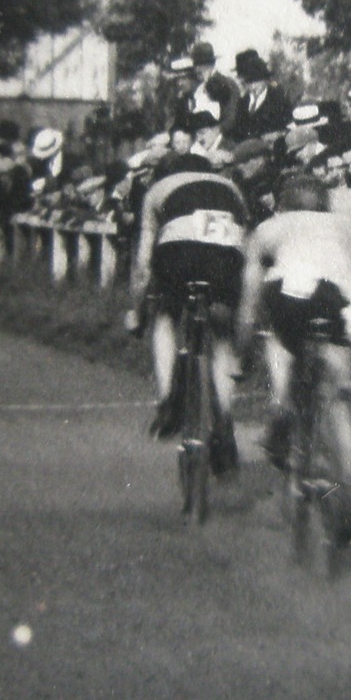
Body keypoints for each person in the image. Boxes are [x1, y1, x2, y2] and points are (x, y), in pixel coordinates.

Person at [237, 174, 351, 482]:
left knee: (278, 339)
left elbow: (250, 296)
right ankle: (345, 394)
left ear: (285, 203)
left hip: (287, 293)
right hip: (334, 298)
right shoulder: (347, 226)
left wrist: (242, 348)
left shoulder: (271, 226)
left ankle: (281, 401)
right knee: (338, 380)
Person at [127, 148, 252, 473]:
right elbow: (244, 238)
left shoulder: (159, 189)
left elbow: (143, 263)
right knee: (221, 329)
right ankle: (223, 420)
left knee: (166, 314)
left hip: (179, 253)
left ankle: (169, 399)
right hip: (226, 257)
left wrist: (137, 310)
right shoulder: (230, 187)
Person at [228, 49, 292, 141]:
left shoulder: (278, 99)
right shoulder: (243, 102)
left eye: (256, 82)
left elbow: (288, 126)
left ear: (265, 80)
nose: (253, 87)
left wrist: (279, 134)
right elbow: (237, 132)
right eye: (249, 83)